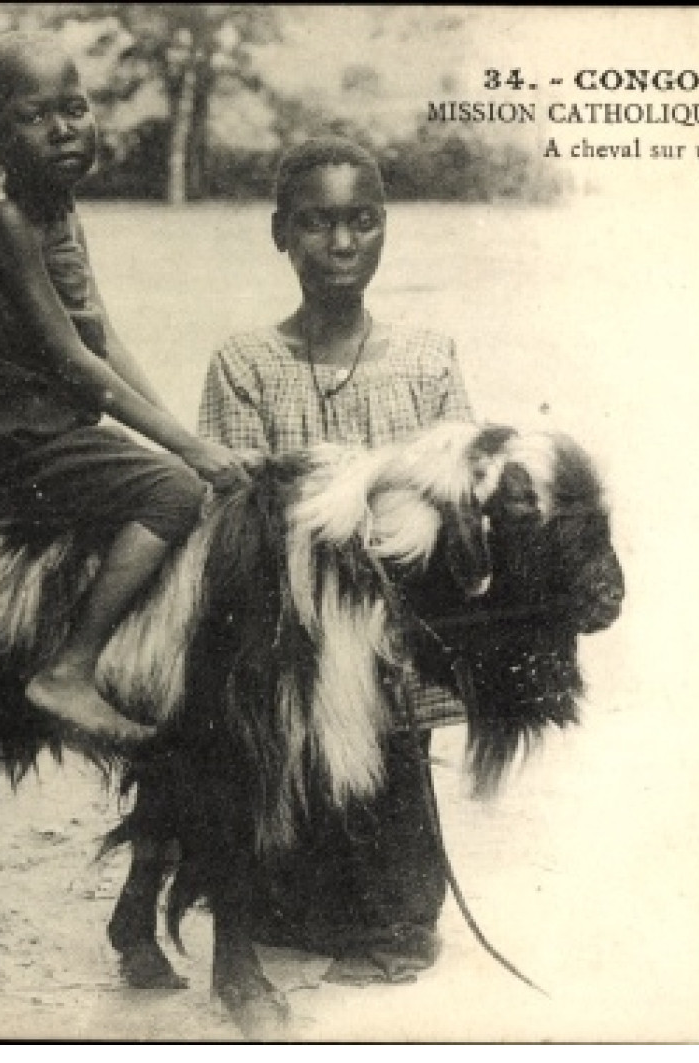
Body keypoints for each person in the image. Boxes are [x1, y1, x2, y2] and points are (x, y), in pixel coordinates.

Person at [0, 32, 250, 746]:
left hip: (29, 426)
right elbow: (70, 360)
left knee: (173, 468)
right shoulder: (3, 219)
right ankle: (69, 668)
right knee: (172, 494)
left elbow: (99, 333)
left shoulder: (56, 205)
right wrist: (184, 457)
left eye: (75, 107)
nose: (63, 129)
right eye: (34, 116)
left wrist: (178, 435)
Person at [198, 135, 477, 984]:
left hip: (396, 622)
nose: (342, 244)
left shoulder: (427, 360)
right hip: (289, 618)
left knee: (388, 785)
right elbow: (243, 514)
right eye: (316, 223)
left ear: (383, 227)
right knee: (289, 820)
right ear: (279, 232)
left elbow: (455, 494)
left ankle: (395, 920)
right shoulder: (246, 364)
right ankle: (297, 900)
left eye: (361, 221)